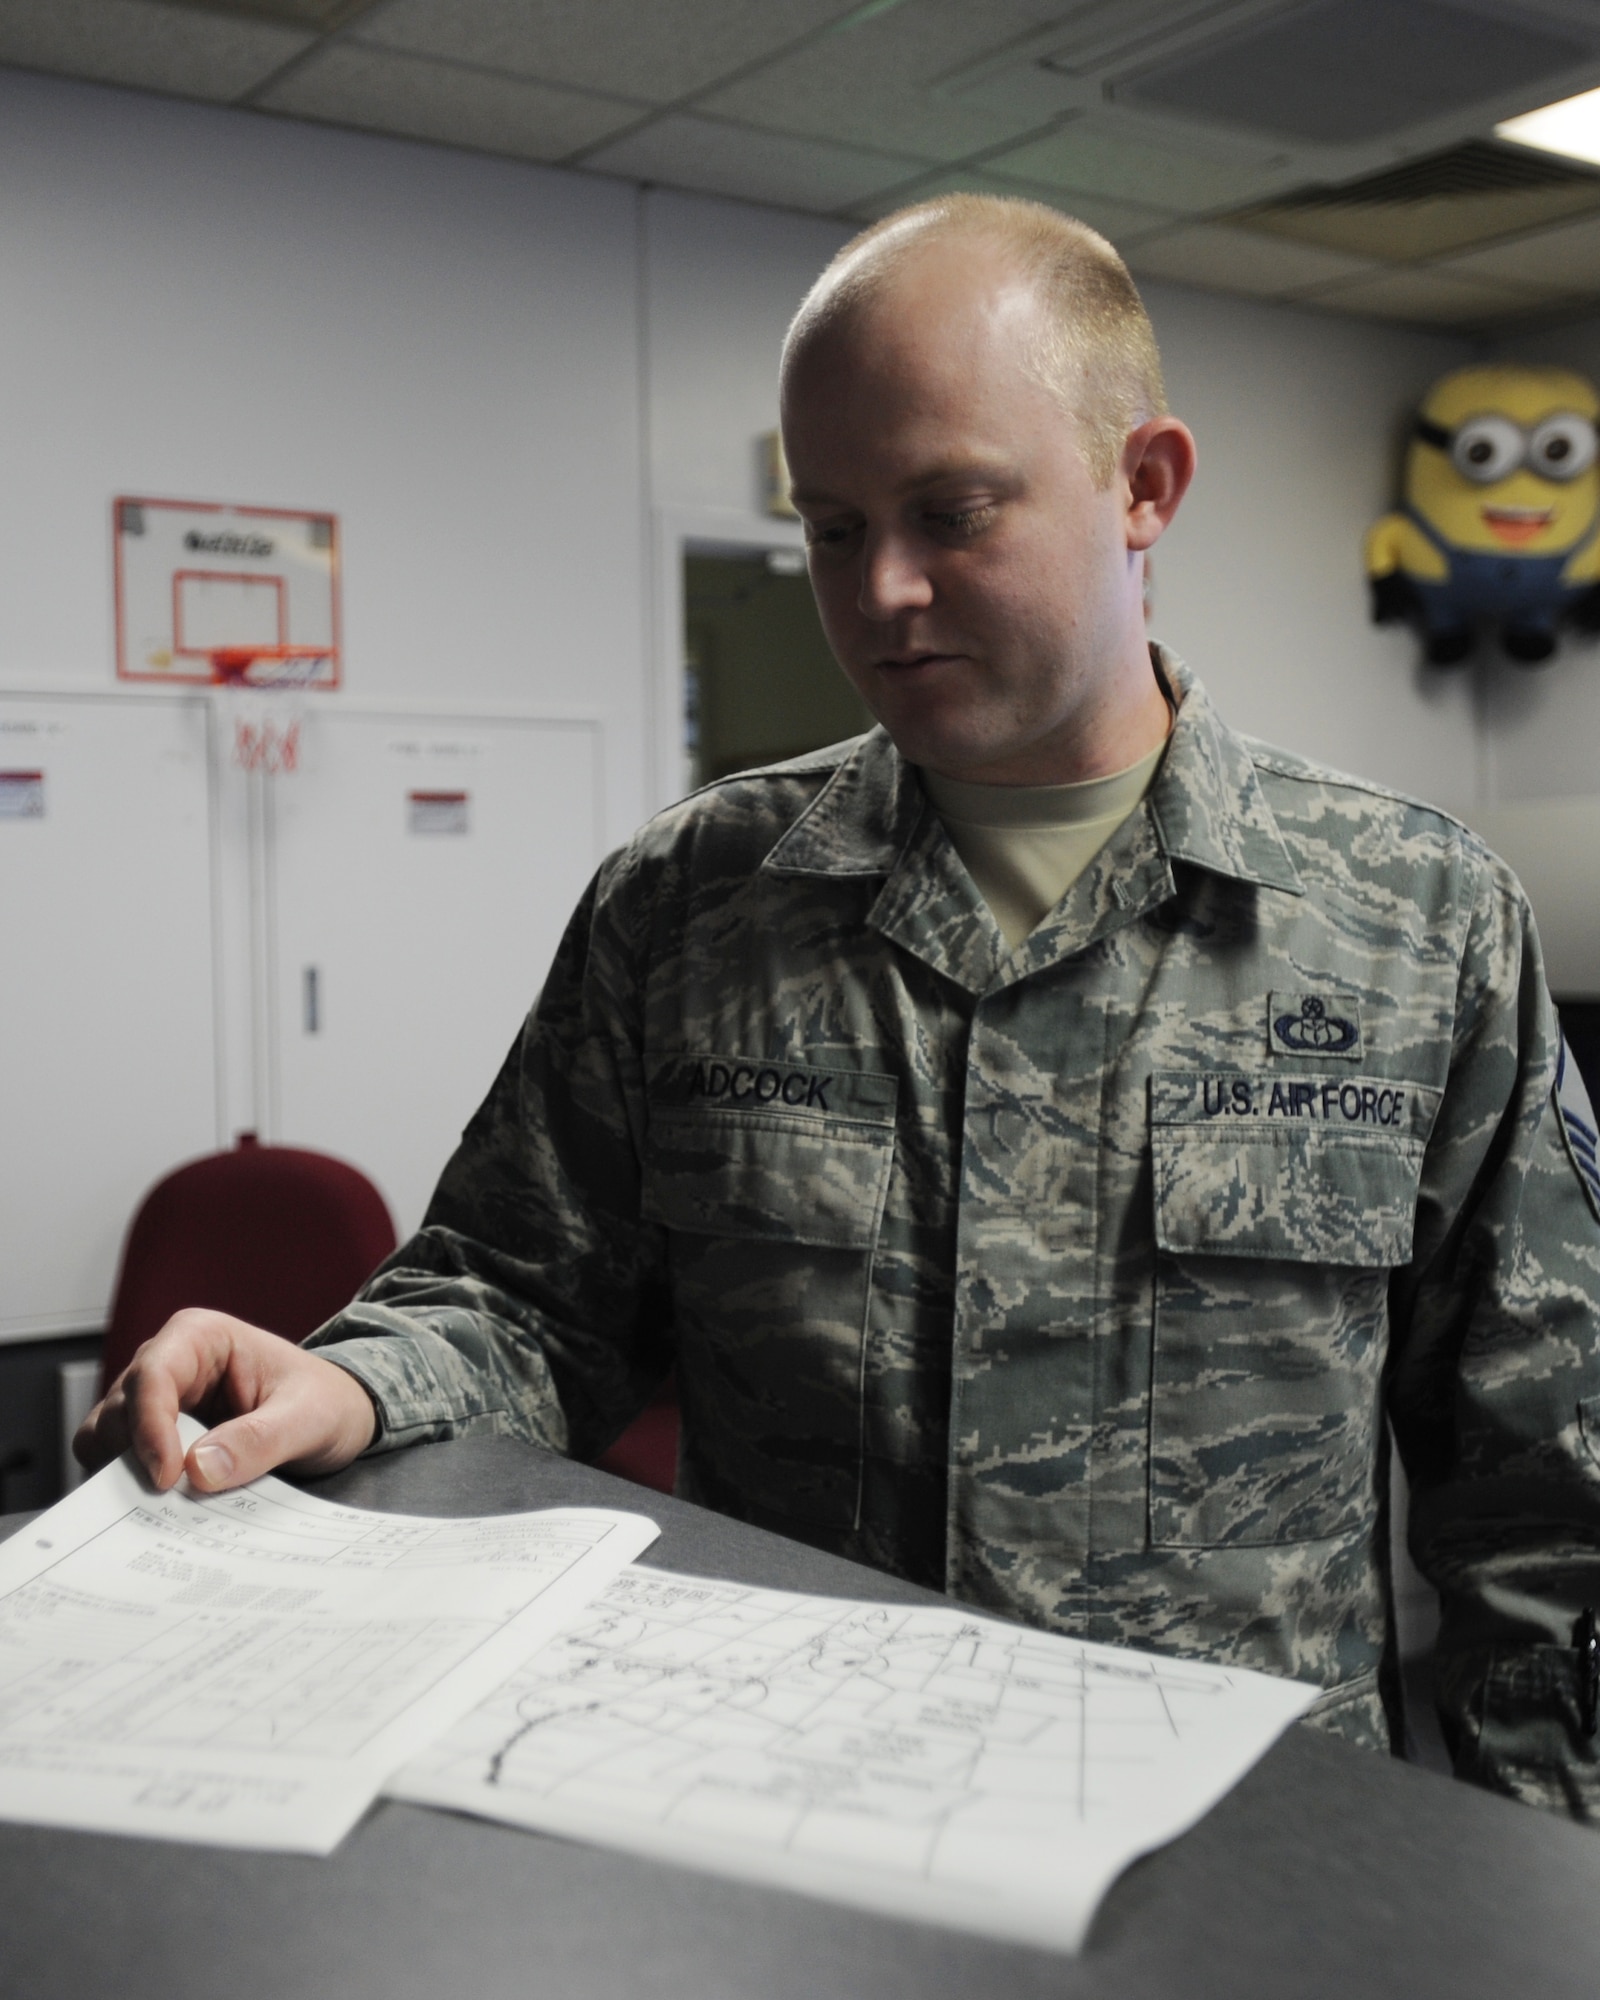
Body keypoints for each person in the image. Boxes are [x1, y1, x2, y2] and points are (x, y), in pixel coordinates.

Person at [78, 195, 1600, 1816]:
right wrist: (356, 1379)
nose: (881, 592)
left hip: (1253, 1856)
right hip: (792, 1822)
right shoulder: (692, 902)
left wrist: (1543, 1883)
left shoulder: (1415, 923)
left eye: (952, 513)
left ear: (1144, 485)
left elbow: (1549, 1501)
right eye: (829, 527)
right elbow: (524, 1297)